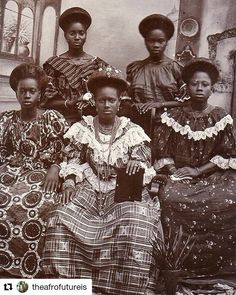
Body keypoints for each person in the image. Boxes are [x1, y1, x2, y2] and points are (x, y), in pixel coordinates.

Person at [42, 66, 161, 294]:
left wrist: (136, 160)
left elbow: (143, 153)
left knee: (137, 220)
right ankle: (66, 284)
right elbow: (73, 156)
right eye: (101, 100)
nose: (106, 105)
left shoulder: (131, 129)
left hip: (121, 189)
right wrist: (68, 181)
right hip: (90, 184)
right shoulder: (83, 128)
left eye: (111, 100)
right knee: (60, 215)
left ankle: (126, 285)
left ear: (119, 103)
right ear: (94, 102)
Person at [153, 58, 236, 281]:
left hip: (211, 175)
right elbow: (162, 151)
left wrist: (198, 171)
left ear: (212, 88)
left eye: (204, 84)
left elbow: (227, 154)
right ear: (186, 87)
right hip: (178, 174)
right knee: (169, 198)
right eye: (194, 84)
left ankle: (221, 267)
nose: (199, 88)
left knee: (228, 198)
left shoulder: (220, 117)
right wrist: (175, 171)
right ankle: (174, 264)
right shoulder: (172, 117)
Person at [0, 63, 69, 278]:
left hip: (43, 173)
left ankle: (32, 265)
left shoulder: (52, 119)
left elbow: (68, 149)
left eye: (32, 91)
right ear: (16, 92)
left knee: (42, 203)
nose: (27, 95)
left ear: (40, 94)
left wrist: (55, 168)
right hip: (11, 170)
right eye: (23, 91)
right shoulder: (6, 120)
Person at [41, 7, 108, 124]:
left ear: (86, 35)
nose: (77, 37)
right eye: (72, 33)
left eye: (81, 33)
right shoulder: (54, 65)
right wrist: (70, 103)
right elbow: (45, 102)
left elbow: (109, 97)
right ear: (65, 35)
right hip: (62, 122)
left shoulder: (98, 65)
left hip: (93, 122)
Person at [126, 14, 188, 135]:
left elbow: (188, 102)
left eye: (160, 41)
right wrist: (136, 105)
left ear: (166, 42)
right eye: (151, 41)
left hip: (170, 129)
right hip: (138, 127)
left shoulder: (176, 68)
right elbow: (125, 100)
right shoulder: (135, 68)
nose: (156, 45)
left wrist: (159, 104)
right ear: (145, 41)